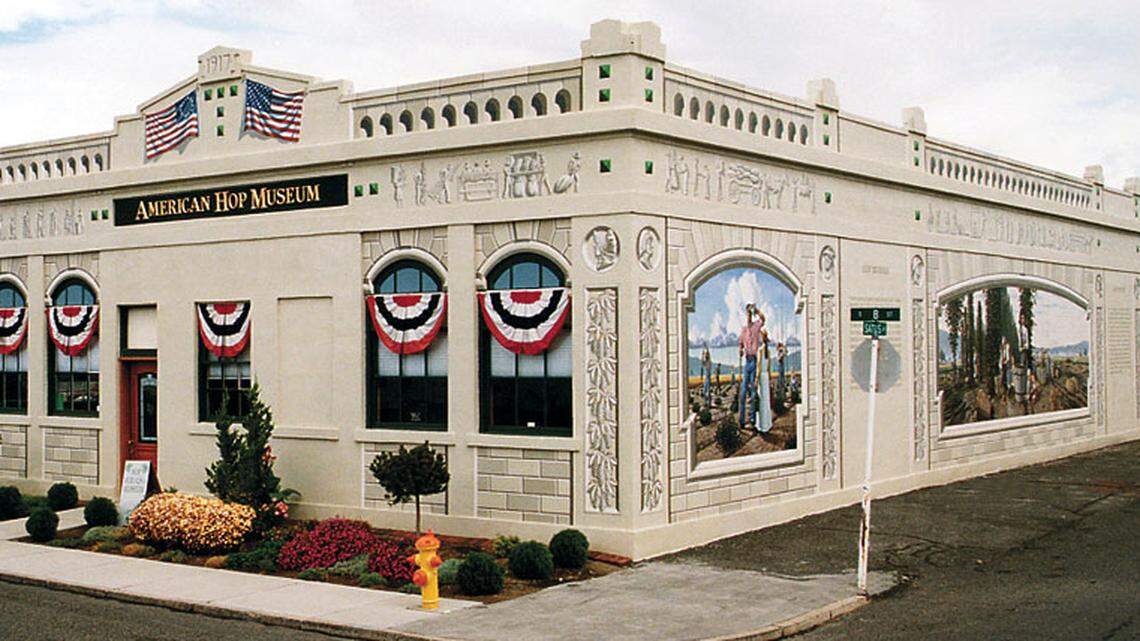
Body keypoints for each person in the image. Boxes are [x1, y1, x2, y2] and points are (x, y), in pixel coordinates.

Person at [738, 304, 764, 430]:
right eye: (747, 313)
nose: (748, 316)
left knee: (753, 391)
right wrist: (740, 349)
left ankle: (752, 419)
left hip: (754, 360)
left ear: (752, 315)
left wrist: (757, 310)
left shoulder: (756, 326)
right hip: (746, 362)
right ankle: (741, 420)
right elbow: (740, 342)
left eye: (750, 313)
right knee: (743, 392)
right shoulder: (743, 329)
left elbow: (763, 319)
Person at [756, 330, 773, 433]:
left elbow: (758, 366)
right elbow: (769, 367)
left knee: (762, 400)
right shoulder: (768, 351)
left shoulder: (760, 350)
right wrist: (770, 378)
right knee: (766, 401)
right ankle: (767, 424)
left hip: (762, 376)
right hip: (766, 376)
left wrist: (756, 379)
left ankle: (762, 425)